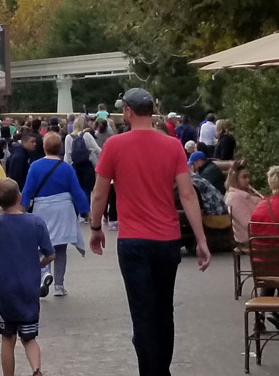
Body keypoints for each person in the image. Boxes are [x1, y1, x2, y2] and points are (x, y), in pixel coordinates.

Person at [89, 88, 210, 376]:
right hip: (166, 239)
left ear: (128, 112)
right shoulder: (172, 146)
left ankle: (151, 372)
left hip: (133, 240)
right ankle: (161, 370)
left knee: (142, 315)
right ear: (152, 111)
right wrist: (201, 239)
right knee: (163, 311)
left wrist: (95, 227)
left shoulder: (114, 146)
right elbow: (188, 194)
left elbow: (99, 194)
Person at [0, 178, 54, 376]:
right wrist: (38, 263)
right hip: (29, 287)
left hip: (4, 289)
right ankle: (36, 369)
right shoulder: (35, 221)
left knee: (7, 338)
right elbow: (50, 254)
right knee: (29, 337)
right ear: (19, 197)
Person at [21, 132, 90, 298]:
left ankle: (44, 274)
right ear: (60, 148)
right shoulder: (66, 168)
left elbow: (28, 190)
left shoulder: (35, 166)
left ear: (44, 147)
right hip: (63, 210)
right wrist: (85, 211)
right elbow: (77, 191)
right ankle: (59, 285)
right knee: (60, 249)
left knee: (40, 247)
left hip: (42, 210)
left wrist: (21, 209)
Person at [224, 161, 262, 245]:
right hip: (249, 237)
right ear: (235, 178)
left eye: (248, 177)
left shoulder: (245, 194)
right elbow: (248, 224)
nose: (248, 180)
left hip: (257, 233)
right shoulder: (234, 198)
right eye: (244, 177)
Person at [64, 117, 101, 203]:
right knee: (87, 190)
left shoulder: (68, 137)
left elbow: (67, 154)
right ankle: (86, 211)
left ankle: (77, 210)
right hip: (87, 166)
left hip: (75, 166)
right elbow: (97, 150)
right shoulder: (87, 135)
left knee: (76, 189)